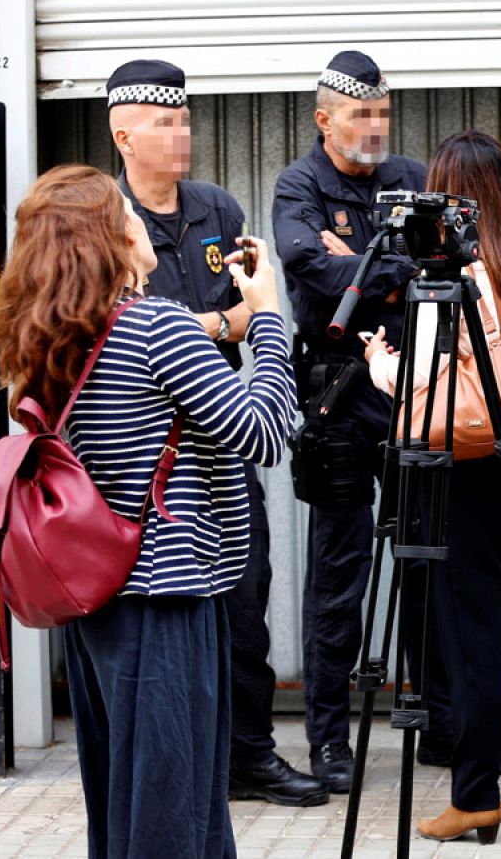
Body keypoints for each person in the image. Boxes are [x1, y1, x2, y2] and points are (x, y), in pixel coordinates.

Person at [0, 164, 297, 856]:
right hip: (167, 599)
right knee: (172, 812)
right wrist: (269, 319)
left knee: (126, 800)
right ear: (109, 239)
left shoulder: (51, 341)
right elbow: (267, 433)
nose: (139, 218)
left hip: (97, 604)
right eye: (126, 211)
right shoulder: (157, 328)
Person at [105, 59, 328, 807]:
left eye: (185, 120)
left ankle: (248, 754)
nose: (181, 135)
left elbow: (228, 315)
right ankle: (181, 762)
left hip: (220, 441)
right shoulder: (108, 221)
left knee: (243, 601)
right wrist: (214, 324)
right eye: (164, 123)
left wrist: (207, 326)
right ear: (123, 134)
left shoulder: (216, 209)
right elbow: (195, 326)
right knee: (162, 618)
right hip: (145, 458)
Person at [362, 130, 501, 843]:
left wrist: (376, 364)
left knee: (473, 626)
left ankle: (476, 790)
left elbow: (420, 385)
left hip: (463, 464)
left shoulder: (446, 278)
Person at [272, 49, 464, 791]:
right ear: (326, 119)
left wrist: (361, 262)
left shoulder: (411, 178)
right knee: (338, 579)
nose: (375, 127)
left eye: (382, 113)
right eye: (361, 113)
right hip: (340, 404)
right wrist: (397, 271)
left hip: (413, 397)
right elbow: (308, 271)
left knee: (426, 564)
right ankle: (329, 742)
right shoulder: (301, 185)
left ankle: (443, 727)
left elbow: (443, 265)